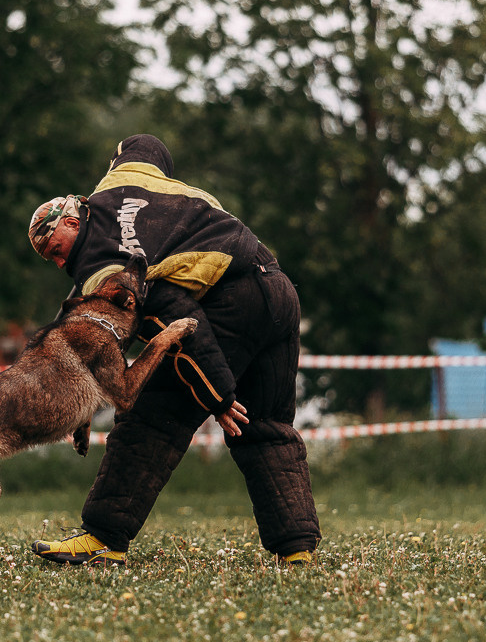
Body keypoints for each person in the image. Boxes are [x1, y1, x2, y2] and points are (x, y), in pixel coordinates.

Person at [27, 135, 321, 566]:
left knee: (150, 415)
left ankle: (105, 538)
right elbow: (146, 146)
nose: (58, 264)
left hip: (233, 299)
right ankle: (296, 550)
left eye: (55, 251)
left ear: (72, 224)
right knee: (267, 425)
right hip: (277, 288)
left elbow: (173, 316)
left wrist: (216, 396)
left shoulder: (107, 270)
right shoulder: (119, 180)